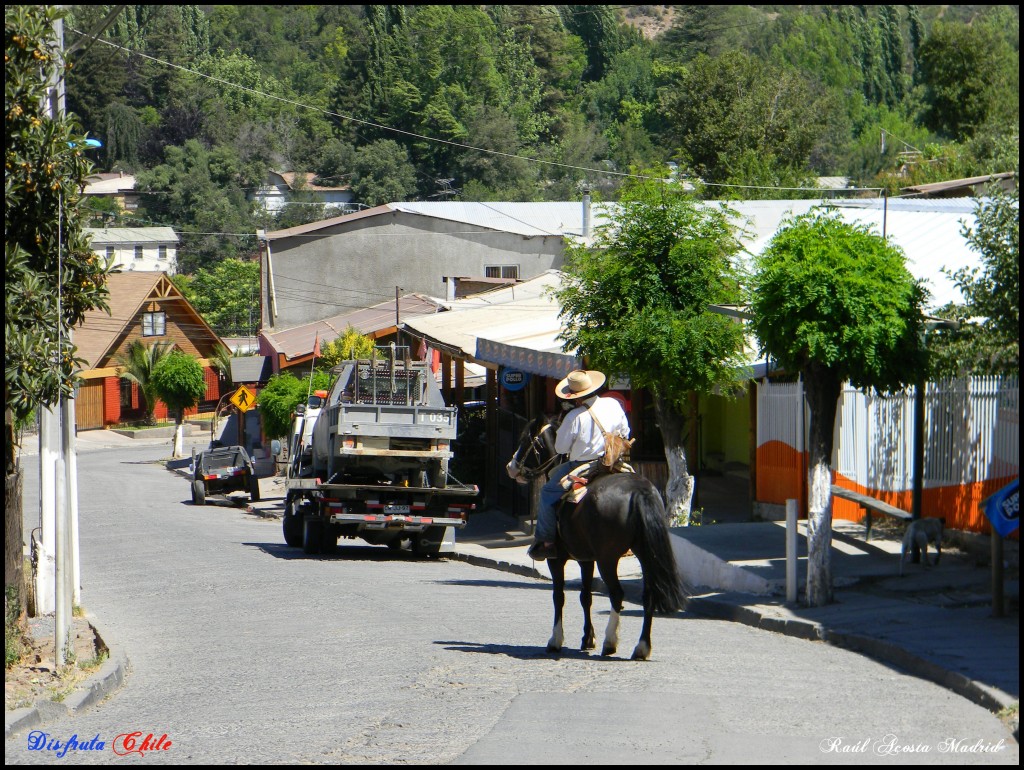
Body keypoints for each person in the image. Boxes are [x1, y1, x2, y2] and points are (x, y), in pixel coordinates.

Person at [527, 369, 630, 561]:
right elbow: (625, 430)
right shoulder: (613, 404)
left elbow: (560, 448)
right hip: (614, 462)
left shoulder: (574, 416)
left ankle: (547, 542)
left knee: (548, 492)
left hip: (582, 465)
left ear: (576, 397)